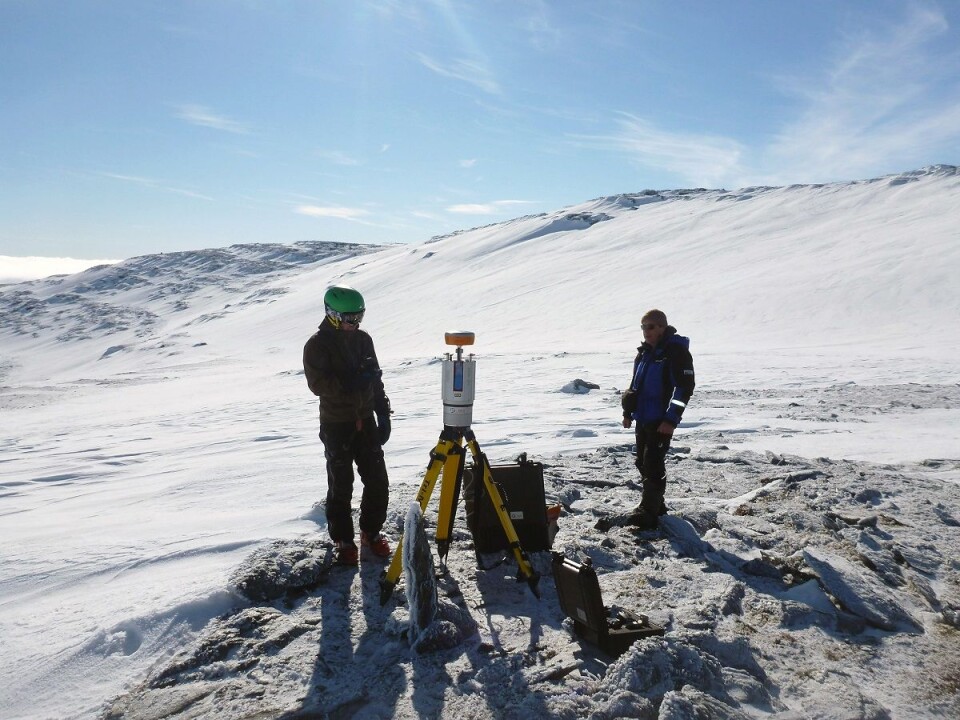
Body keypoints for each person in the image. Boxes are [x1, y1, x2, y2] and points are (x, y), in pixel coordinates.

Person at [303, 285, 393, 565]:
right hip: (336, 423)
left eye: (359, 317)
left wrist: (383, 412)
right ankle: (343, 539)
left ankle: (371, 532)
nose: (355, 324)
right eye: (349, 318)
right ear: (332, 314)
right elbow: (318, 385)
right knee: (341, 485)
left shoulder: (364, 340)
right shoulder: (317, 345)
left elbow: (374, 377)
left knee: (378, 480)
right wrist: (354, 382)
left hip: (364, 421)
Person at [621, 309, 695, 530]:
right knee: (642, 462)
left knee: (653, 463)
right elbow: (635, 386)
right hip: (643, 417)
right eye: (643, 327)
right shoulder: (644, 353)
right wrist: (627, 413)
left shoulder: (675, 352)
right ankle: (657, 505)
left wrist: (671, 420)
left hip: (660, 420)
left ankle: (648, 512)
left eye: (651, 326)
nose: (646, 331)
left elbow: (684, 388)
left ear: (662, 327)